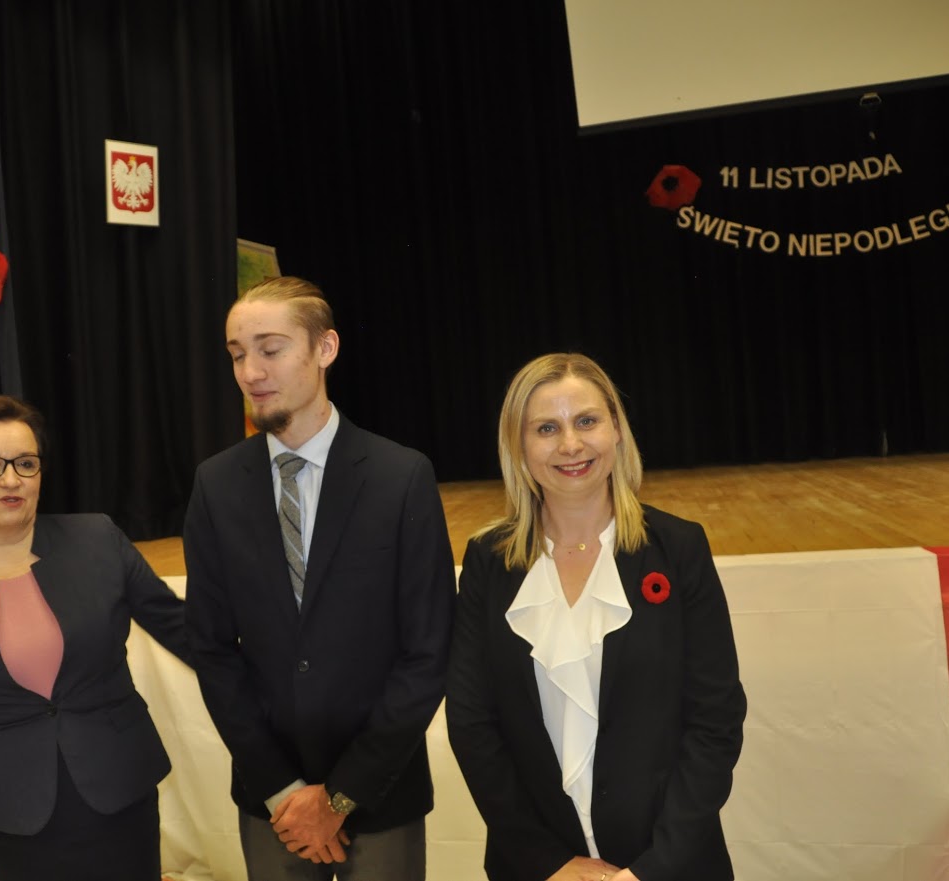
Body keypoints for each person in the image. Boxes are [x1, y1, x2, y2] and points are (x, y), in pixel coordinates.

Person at [184, 276, 456, 880]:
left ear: (325, 348)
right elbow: (211, 648)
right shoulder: (216, 485)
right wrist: (282, 790)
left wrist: (340, 796)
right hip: (272, 802)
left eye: (270, 349)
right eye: (237, 354)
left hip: (380, 794)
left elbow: (428, 650)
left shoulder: (400, 476)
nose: (250, 371)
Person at [446, 353, 746, 881]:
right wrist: (549, 863)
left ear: (617, 430)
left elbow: (714, 722)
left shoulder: (679, 548)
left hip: (670, 867)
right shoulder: (487, 563)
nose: (571, 444)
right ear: (518, 446)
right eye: (546, 428)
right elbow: (473, 727)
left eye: (586, 421)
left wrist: (650, 871)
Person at [0, 395, 189, 881]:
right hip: (13, 809)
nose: (11, 479)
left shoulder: (97, 541)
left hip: (119, 787)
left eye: (25, 463)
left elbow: (184, 631)